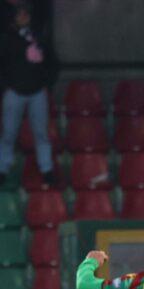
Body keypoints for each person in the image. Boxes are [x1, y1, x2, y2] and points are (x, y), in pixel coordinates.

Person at [0, 1, 57, 186]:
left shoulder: (39, 38)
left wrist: (47, 84)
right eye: (20, 15)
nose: (23, 18)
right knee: (8, 134)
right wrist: (6, 86)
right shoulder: (8, 39)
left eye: (26, 15)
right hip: (14, 93)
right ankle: (2, 169)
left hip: (37, 93)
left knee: (41, 134)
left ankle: (47, 170)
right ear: (16, 19)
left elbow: (52, 63)